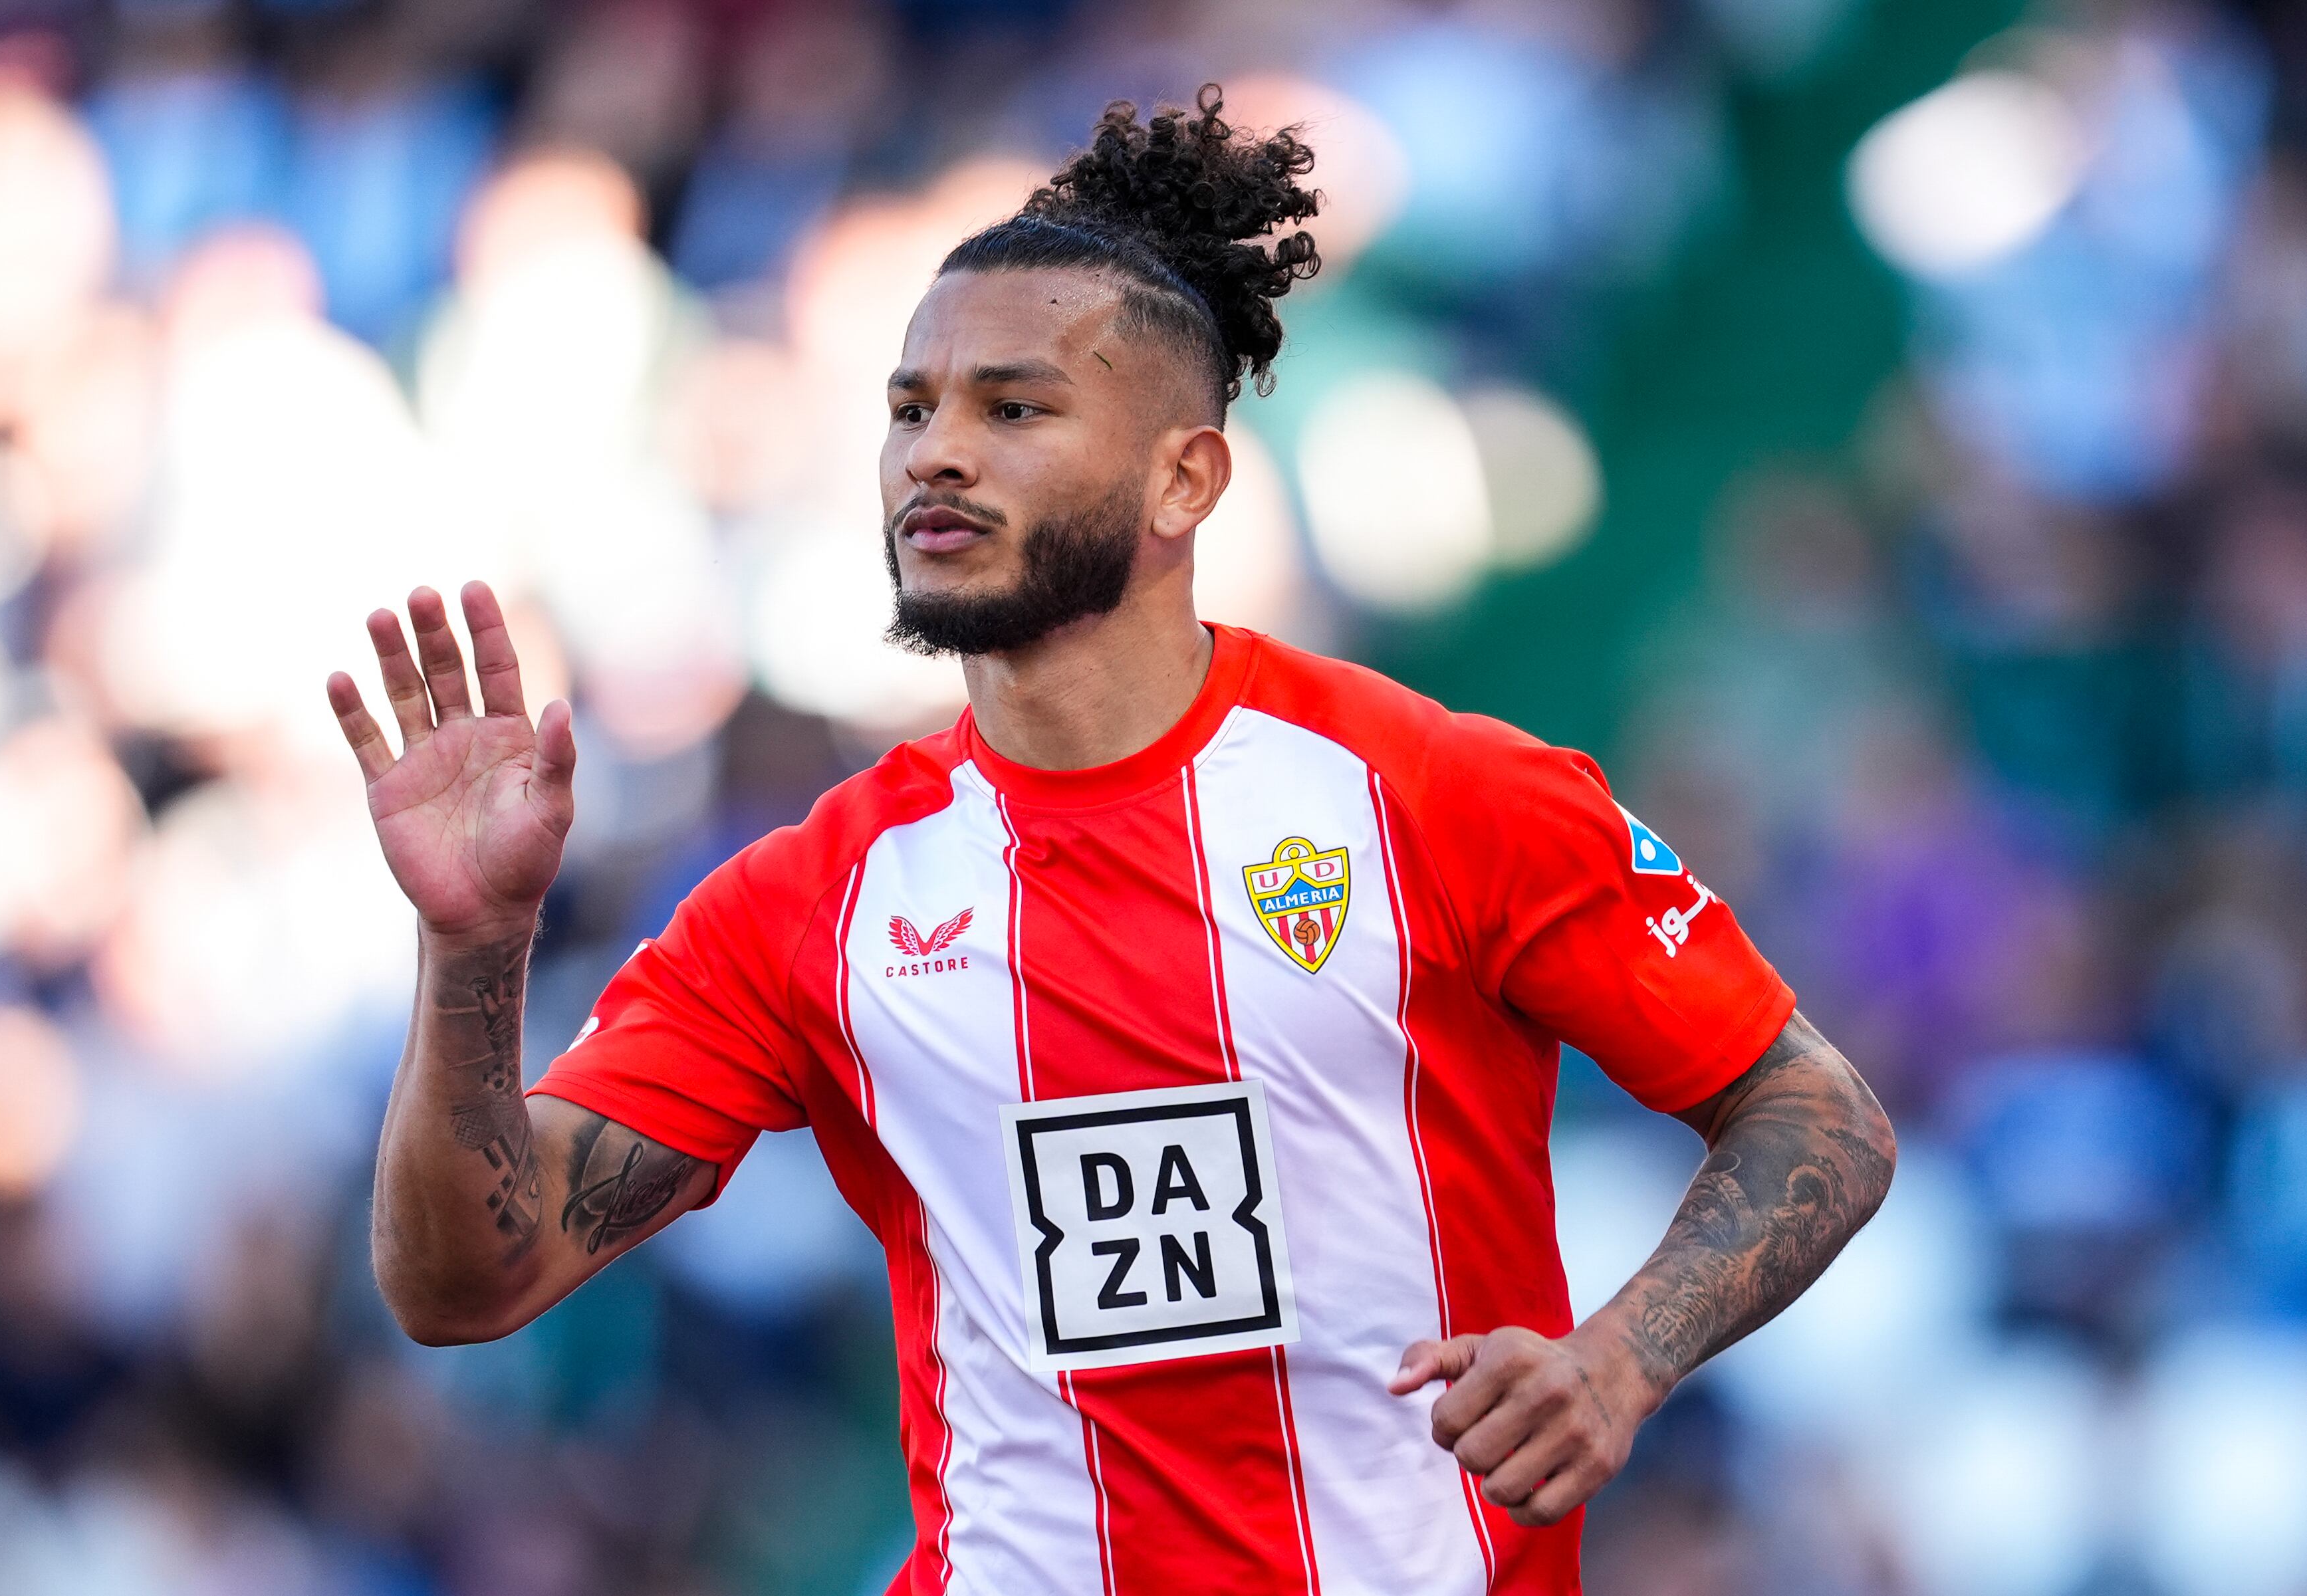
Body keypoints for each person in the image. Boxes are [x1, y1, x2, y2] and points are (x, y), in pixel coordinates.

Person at [328, 86, 1895, 1596]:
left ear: (1183, 478)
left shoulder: (1442, 793)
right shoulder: (810, 902)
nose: (934, 453)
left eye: (1012, 409)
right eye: (908, 410)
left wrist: (1623, 1356)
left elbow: (1813, 1111)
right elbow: (470, 1277)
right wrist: (472, 951)